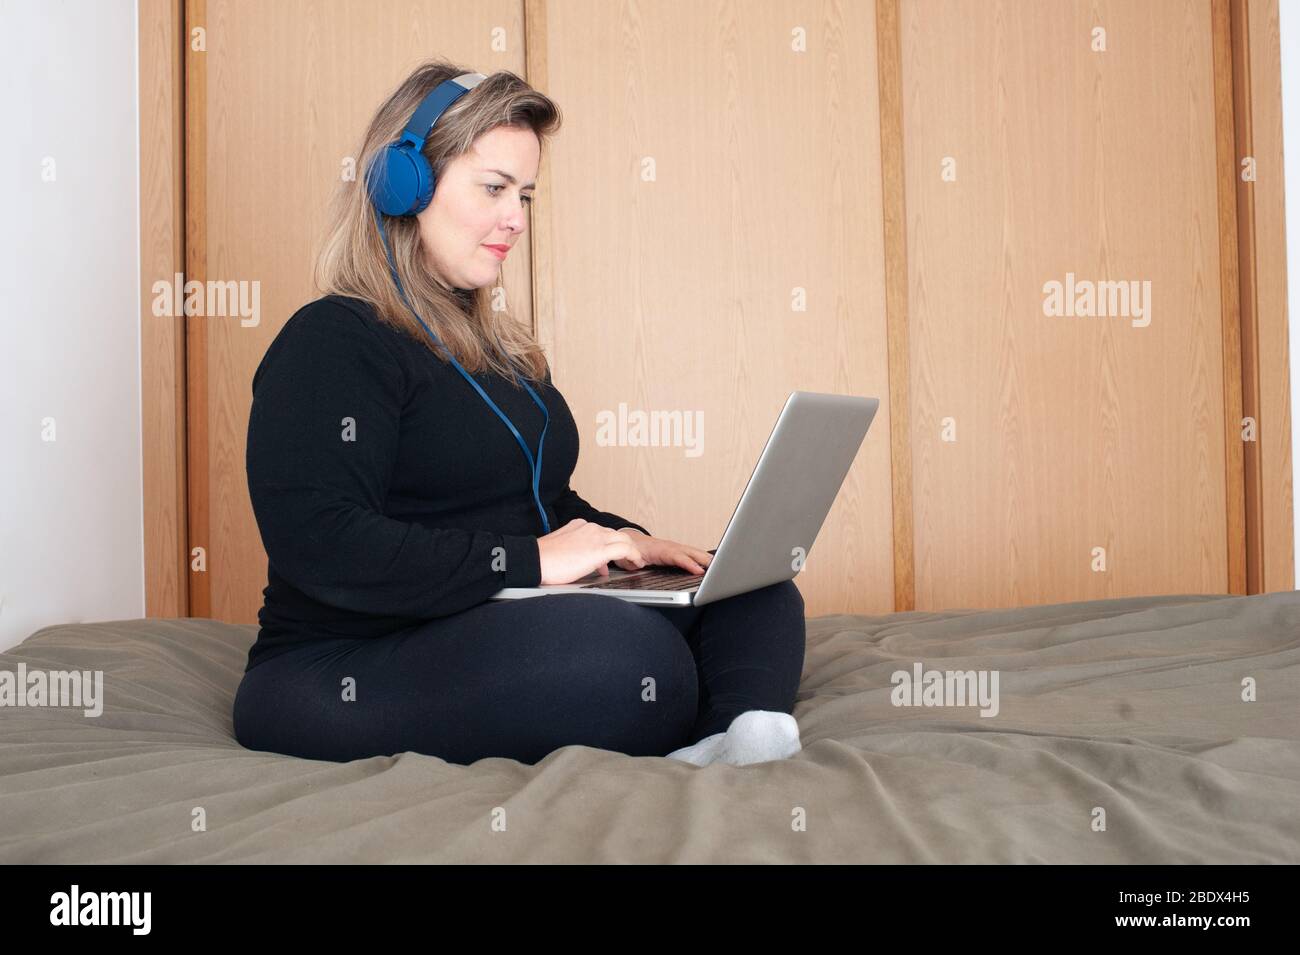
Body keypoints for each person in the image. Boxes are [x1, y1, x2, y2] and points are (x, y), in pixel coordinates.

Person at [231, 60, 807, 768]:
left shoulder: (504, 352)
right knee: (618, 656)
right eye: (496, 188)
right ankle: (697, 718)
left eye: (526, 195)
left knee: (751, 587)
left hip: (487, 616)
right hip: (342, 664)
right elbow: (323, 540)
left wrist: (626, 542)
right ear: (404, 184)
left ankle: (733, 737)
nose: (517, 219)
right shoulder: (334, 340)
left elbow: (538, 499)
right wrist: (533, 558)